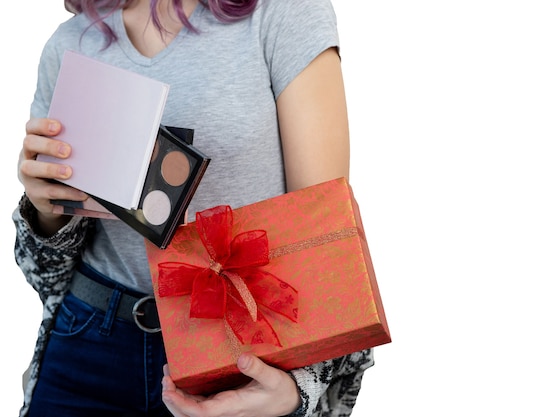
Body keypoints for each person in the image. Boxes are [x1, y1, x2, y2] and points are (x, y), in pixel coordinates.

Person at [14, 0, 375, 416]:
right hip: (89, 338)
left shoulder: (285, 13)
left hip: (238, 349)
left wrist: (299, 389)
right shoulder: (70, 43)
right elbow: (42, 272)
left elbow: (325, 236)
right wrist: (44, 211)